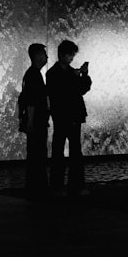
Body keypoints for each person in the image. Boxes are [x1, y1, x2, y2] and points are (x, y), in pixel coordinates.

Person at [46, 40, 91, 196]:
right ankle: (58, 186)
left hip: (73, 117)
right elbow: (60, 92)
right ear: (62, 55)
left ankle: (75, 185)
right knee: (59, 151)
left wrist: (84, 74)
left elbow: (83, 88)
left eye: (72, 55)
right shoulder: (53, 73)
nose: (72, 58)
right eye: (70, 55)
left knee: (75, 151)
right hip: (62, 117)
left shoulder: (69, 72)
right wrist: (76, 75)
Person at [19, 43, 50, 197]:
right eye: (44, 54)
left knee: (35, 153)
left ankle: (35, 186)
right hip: (36, 122)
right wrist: (31, 122)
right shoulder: (34, 75)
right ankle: (37, 187)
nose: (47, 57)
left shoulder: (31, 74)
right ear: (37, 56)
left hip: (36, 121)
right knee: (37, 154)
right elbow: (31, 101)